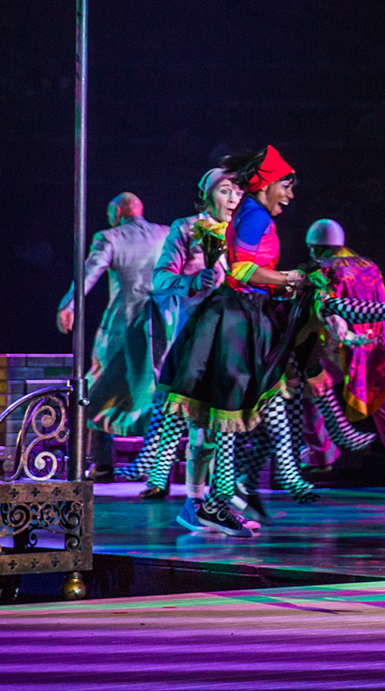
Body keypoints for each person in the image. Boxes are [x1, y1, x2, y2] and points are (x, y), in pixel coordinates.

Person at [158, 146, 311, 537]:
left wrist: (277, 287)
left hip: (241, 321)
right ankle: (209, 501)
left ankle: (223, 498)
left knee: (233, 418)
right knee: (216, 423)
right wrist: (285, 279)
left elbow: (250, 271)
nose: (291, 195)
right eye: (286, 186)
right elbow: (235, 269)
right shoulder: (228, 221)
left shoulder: (250, 218)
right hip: (220, 323)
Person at [119, 170, 240, 517]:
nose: (233, 199)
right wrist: (190, 279)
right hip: (195, 332)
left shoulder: (240, 232)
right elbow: (159, 279)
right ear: (207, 194)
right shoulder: (187, 228)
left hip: (231, 333)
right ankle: (161, 477)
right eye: (225, 191)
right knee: (177, 405)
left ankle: (222, 494)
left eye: (238, 193)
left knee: (225, 418)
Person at [56, 193, 169, 480]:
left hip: (124, 324)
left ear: (118, 211)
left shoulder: (110, 237)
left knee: (97, 388)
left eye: (110, 212)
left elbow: (89, 273)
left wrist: (69, 304)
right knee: (156, 390)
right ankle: (156, 464)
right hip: (161, 324)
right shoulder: (164, 233)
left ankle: (102, 462)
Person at [300, 219, 385, 484]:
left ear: (317, 247)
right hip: (375, 342)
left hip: (342, 345)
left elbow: (329, 312)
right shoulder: (368, 265)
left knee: (310, 387)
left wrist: (347, 338)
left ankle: (321, 453)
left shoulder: (322, 269)